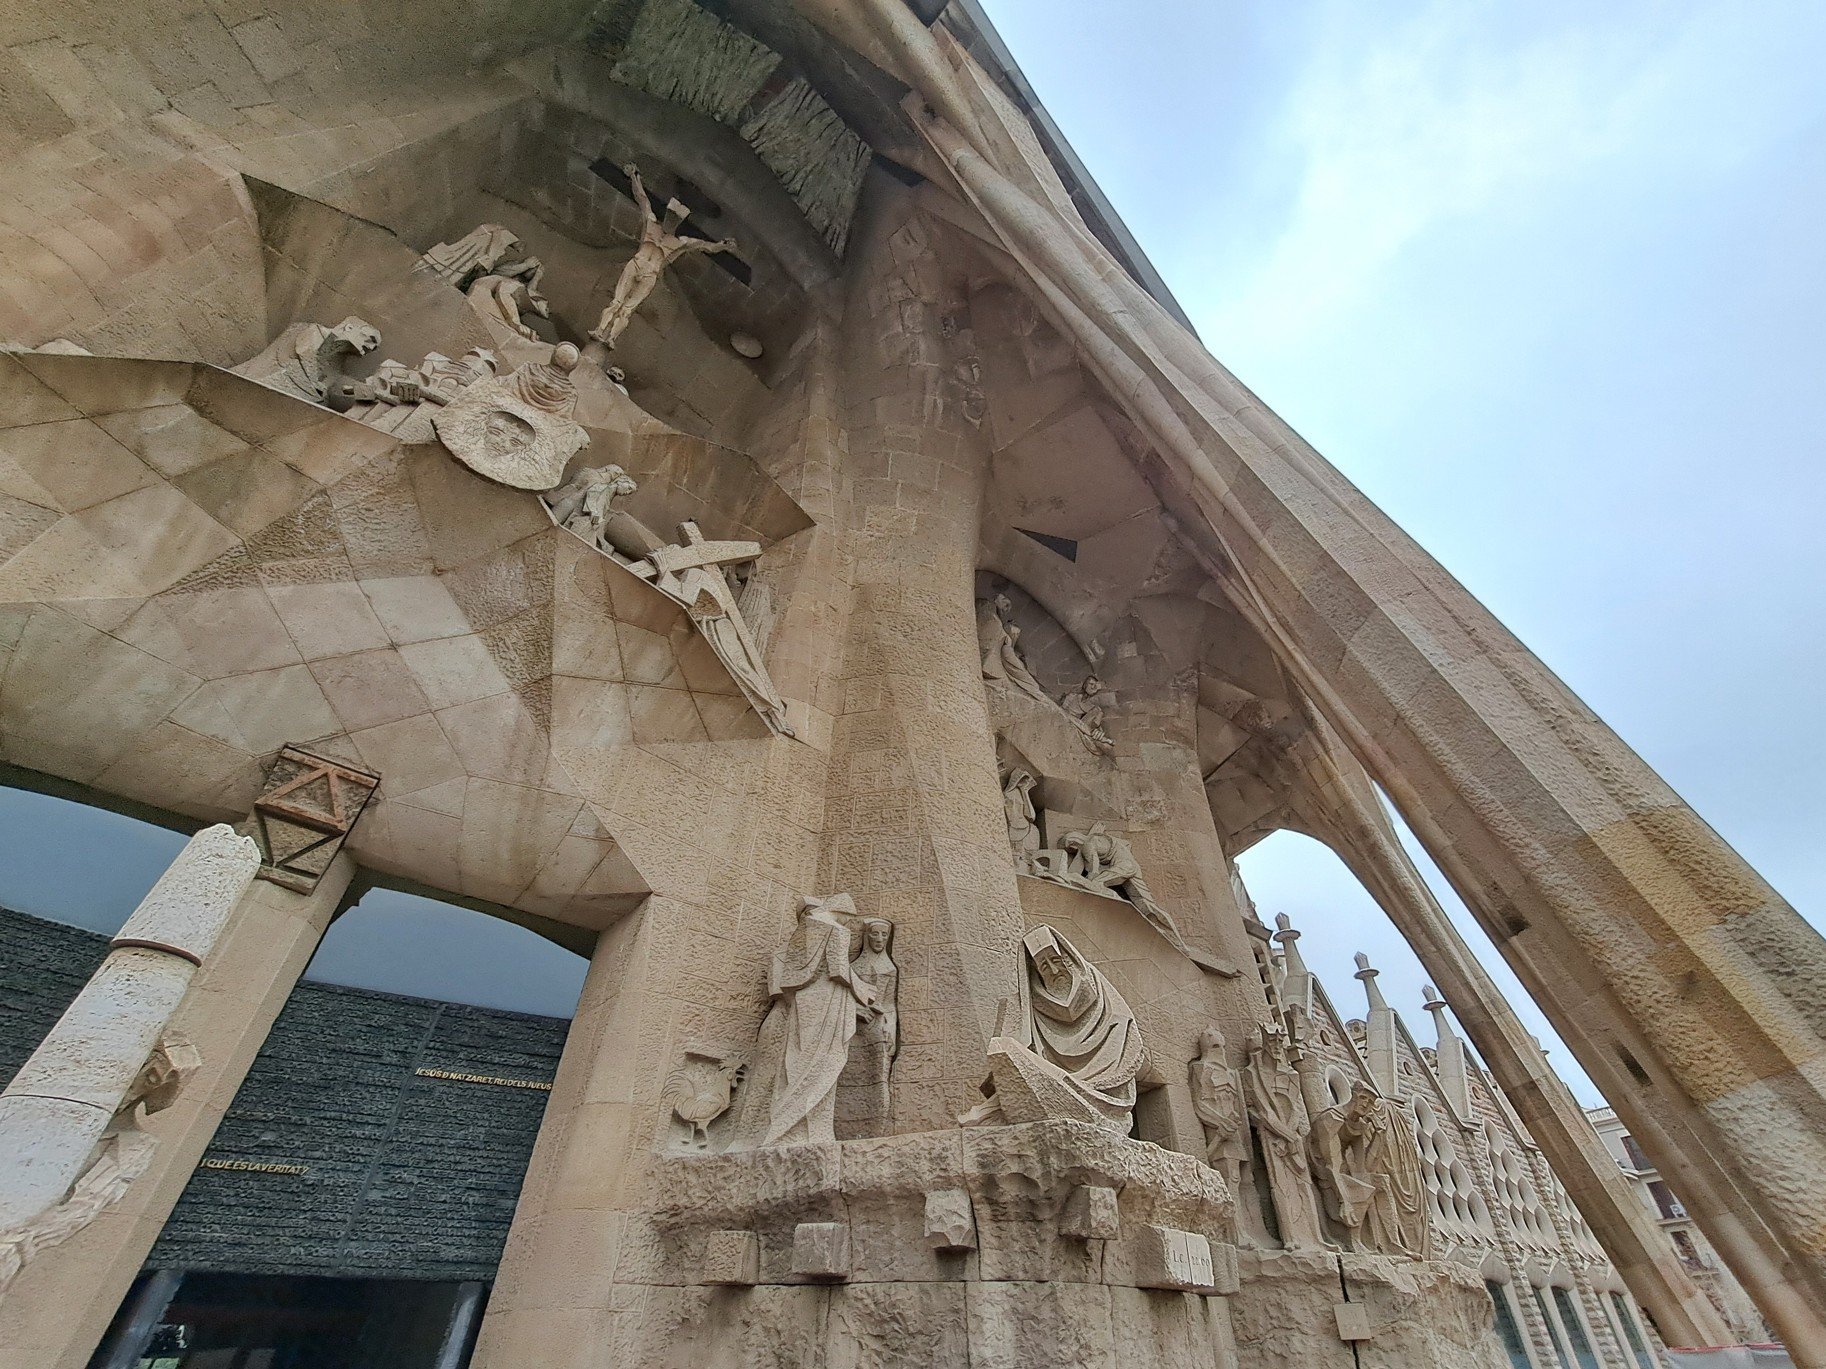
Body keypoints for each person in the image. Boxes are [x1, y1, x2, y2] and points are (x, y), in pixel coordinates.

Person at [590, 164, 737, 351]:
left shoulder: (680, 242)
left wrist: (722, 245)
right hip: (636, 264)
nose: (671, 220)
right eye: (671, 216)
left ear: (680, 222)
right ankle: (600, 330)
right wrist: (634, 176)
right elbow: (642, 198)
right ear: (667, 214)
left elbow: (705, 246)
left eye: (675, 219)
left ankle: (611, 338)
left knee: (627, 309)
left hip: (650, 274)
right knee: (616, 302)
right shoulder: (651, 223)